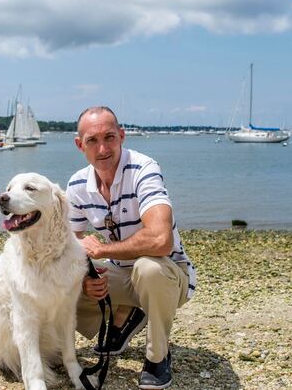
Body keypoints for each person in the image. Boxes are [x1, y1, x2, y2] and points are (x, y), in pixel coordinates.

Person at [67, 106, 196, 390]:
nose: (102, 148)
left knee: (148, 268)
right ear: (80, 145)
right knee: (59, 282)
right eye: (92, 140)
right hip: (121, 273)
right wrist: (89, 278)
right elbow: (69, 240)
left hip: (169, 276)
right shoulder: (77, 184)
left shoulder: (143, 169)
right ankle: (127, 314)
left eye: (109, 137)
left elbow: (162, 240)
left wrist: (103, 251)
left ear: (122, 136)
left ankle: (158, 357)